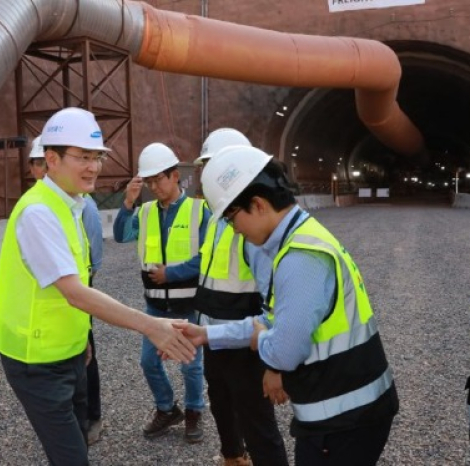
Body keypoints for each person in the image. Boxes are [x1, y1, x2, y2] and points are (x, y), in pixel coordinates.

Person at [0, 107, 195, 466]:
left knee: (77, 446)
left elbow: (75, 283)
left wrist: (81, 338)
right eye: (83, 157)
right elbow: (74, 291)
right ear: (51, 159)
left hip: (68, 352)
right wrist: (150, 326)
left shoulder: (73, 206)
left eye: (97, 157)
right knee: (71, 457)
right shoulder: (39, 212)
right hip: (35, 358)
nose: (94, 167)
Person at [177, 146, 399, 466]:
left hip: (344, 420)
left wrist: (259, 340)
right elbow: (271, 322)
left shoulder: (299, 257)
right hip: (347, 410)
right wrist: (206, 335)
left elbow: (284, 350)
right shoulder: (299, 240)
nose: (232, 228)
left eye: (231, 217)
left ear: (258, 204)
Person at [193, 130, 288, 466]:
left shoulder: (254, 227)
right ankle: (233, 457)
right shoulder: (217, 219)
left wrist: (273, 363)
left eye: (210, 166)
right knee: (220, 403)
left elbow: (274, 301)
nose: (205, 175)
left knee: (257, 422)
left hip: (245, 344)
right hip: (214, 339)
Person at [113, 142, 210, 443]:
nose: (153, 186)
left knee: (191, 365)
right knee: (148, 361)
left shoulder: (199, 211)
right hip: (155, 307)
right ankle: (167, 408)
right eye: (149, 181)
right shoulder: (143, 213)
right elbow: (120, 235)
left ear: (174, 176)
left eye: (158, 179)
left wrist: (171, 273)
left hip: (189, 305)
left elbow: (207, 256)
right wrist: (127, 202)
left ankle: (194, 411)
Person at [28, 135, 106, 445]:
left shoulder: (82, 206)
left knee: (87, 358)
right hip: (52, 300)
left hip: (78, 293)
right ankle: (69, 423)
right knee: (65, 362)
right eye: (35, 164)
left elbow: (94, 253)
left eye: (40, 164)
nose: (39, 170)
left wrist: (83, 287)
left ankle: (91, 417)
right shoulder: (36, 207)